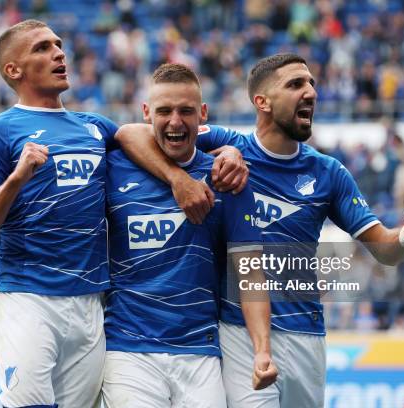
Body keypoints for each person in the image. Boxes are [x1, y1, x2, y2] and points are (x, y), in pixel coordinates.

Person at [116, 53, 404, 408]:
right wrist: (179, 178)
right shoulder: (226, 143)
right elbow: (133, 134)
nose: (311, 92)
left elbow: (385, 250)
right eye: (296, 84)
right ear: (262, 101)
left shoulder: (328, 173)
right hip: (237, 329)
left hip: (304, 332)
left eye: (312, 83)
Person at [0, 19, 245, 408]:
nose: (59, 53)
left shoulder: (92, 127)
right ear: (13, 70)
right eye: (42, 48)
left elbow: (142, 133)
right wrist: (16, 179)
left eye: (58, 44)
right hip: (27, 293)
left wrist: (224, 152)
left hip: (91, 303)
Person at [102, 63, 276, 408]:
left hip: (200, 352)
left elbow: (250, 271)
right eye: (164, 111)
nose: (175, 122)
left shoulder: (228, 179)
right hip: (128, 350)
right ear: (147, 114)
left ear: (203, 114)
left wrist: (262, 351)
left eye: (186, 111)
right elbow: (124, 133)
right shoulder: (112, 167)